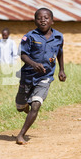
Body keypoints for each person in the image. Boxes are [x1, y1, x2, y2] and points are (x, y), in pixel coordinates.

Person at [15, 8, 66, 145]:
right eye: (39, 18)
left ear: (52, 20)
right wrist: (33, 64)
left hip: (45, 76)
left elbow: (60, 52)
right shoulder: (29, 37)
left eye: (46, 17)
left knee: (36, 104)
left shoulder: (58, 37)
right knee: (20, 107)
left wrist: (61, 70)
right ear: (35, 21)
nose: (43, 20)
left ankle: (21, 134)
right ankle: (24, 104)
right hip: (28, 76)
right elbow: (22, 54)